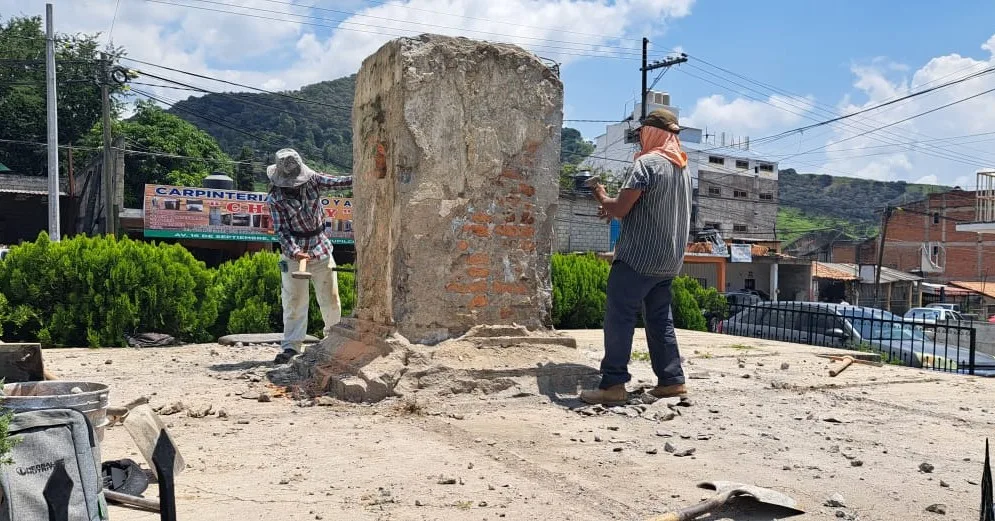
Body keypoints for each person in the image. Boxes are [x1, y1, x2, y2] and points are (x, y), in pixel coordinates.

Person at [579, 109, 693, 406]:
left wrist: (601, 195)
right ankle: (671, 380)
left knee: (619, 317)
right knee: (659, 320)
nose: (640, 138)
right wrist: (615, 207)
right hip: (669, 260)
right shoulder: (682, 168)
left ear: (650, 132)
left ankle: (613, 384)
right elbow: (640, 208)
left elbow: (619, 209)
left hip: (638, 257)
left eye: (641, 132)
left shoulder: (647, 164)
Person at [266, 148, 353, 364]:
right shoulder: (275, 198)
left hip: (321, 248)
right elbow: (282, 232)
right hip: (294, 255)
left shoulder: (313, 181)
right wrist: (296, 252)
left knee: (330, 299)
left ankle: (334, 341)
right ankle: (291, 347)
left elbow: (338, 182)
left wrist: (361, 176)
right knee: (294, 302)